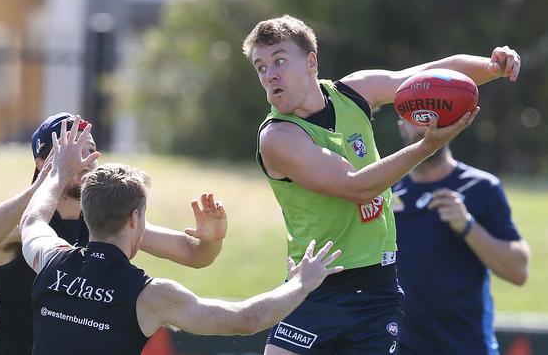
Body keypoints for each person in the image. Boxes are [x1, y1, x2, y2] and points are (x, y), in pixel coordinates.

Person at [241, 14, 521, 354]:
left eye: (279, 61)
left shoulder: (356, 91)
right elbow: (356, 186)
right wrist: (425, 146)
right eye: (261, 68)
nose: (270, 75)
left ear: (311, 62)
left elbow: (426, 76)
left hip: (377, 291)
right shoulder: (278, 136)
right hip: (313, 289)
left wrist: (492, 66)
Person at [19, 116, 344, 354]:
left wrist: (58, 171)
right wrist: (303, 282)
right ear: (135, 219)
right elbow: (246, 319)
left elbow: (33, 219)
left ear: (88, 215)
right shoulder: (150, 296)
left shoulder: (51, 258)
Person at [0, 112, 228, 354]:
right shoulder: (23, 223)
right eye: (72, 152)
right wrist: (49, 179)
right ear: (42, 162)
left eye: (90, 150)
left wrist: (212, 240)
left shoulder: (102, 220)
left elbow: (195, 255)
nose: (86, 160)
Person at [392, 120, 530, 355]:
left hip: (467, 346)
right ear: (401, 126)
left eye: (430, 117)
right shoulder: (385, 190)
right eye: (415, 118)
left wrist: (467, 226)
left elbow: (518, 269)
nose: (424, 126)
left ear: (448, 123)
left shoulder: (481, 187)